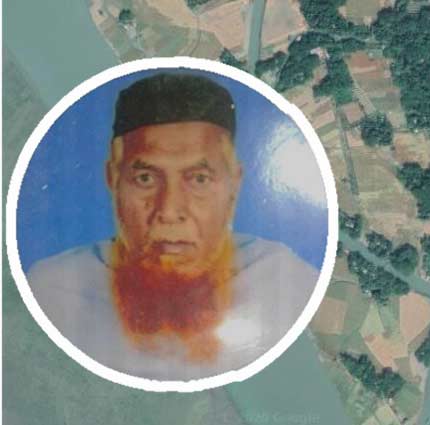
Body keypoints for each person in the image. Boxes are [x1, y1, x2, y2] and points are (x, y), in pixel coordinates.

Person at [26, 72, 319, 381]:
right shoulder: (52, 292)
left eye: (199, 179)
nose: (168, 211)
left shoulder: (287, 286)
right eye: (145, 179)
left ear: (233, 184)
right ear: (113, 180)